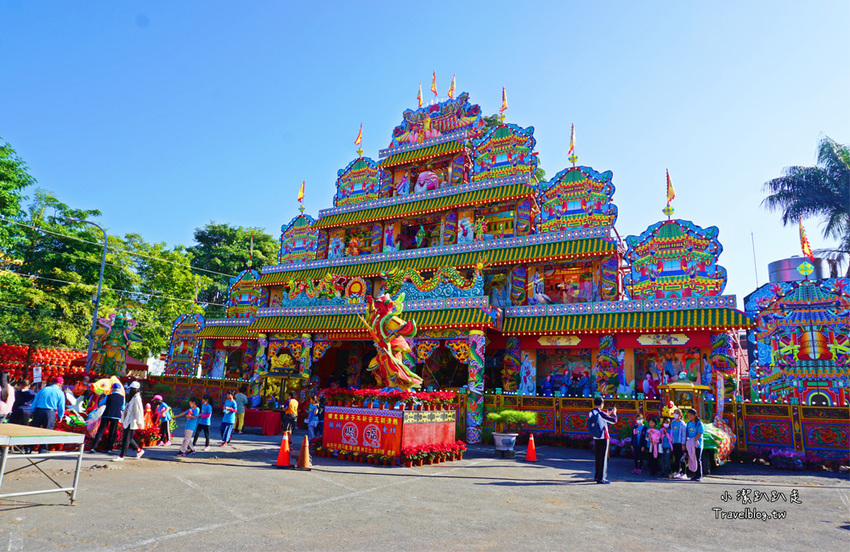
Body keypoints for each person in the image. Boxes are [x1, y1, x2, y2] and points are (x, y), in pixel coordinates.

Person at [30, 377, 66, 452]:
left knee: (34, 429)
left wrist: (32, 411)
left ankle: (29, 447)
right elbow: (61, 406)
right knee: (47, 431)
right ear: (60, 384)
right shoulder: (60, 392)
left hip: (39, 411)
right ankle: (43, 448)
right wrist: (60, 416)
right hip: (50, 413)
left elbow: (35, 401)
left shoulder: (43, 389)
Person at [587, 397, 617, 484]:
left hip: (596, 437)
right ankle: (602, 478)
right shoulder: (601, 413)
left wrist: (607, 414)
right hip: (603, 437)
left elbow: (600, 420)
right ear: (601, 404)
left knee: (598, 457)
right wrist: (614, 413)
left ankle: (597, 476)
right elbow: (613, 421)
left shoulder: (591, 412)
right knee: (604, 458)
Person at [90, 383, 125, 453]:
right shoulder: (122, 398)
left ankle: (94, 447)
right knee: (112, 432)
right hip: (116, 416)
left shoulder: (108, 396)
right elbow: (122, 407)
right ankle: (109, 448)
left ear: (112, 389)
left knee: (100, 431)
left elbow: (100, 404)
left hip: (107, 414)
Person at [115, 381, 145, 462]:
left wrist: (139, 422)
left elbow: (138, 411)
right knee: (128, 438)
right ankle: (139, 450)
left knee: (126, 439)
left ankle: (121, 456)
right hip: (127, 420)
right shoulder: (132, 397)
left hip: (132, 421)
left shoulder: (137, 398)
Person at [685, 408, 705, 481]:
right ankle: (694, 474)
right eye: (689, 415)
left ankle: (699, 475)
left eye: (691, 415)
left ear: (695, 415)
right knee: (692, 458)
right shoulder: (688, 423)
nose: (690, 416)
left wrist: (694, 440)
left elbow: (700, 433)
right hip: (690, 444)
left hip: (697, 444)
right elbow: (687, 432)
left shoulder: (699, 423)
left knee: (697, 459)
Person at [670, 409, 687, 479]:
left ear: (680, 415)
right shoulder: (673, 422)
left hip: (680, 443)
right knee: (676, 458)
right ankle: (677, 472)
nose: (675, 415)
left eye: (677, 413)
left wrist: (683, 444)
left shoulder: (682, 423)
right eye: (674, 413)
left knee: (681, 458)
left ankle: (684, 473)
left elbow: (684, 434)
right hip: (674, 443)